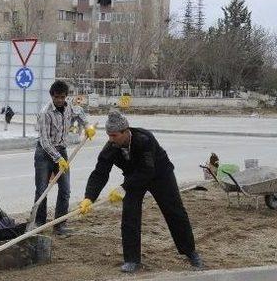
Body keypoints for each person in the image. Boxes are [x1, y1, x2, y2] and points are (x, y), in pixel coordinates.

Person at [78, 110, 203, 272]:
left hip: (159, 174)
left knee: (174, 211)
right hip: (133, 178)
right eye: (109, 135)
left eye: (114, 135)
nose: (111, 139)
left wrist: (123, 188)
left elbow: (147, 171)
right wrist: (89, 197)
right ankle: (132, 260)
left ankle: (191, 252)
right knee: (129, 215)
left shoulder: (144, 139)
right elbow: (100, 173)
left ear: (126, 131)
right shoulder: (111, 147)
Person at [35, 80, 95, 236]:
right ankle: (39, 223)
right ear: (52, 96)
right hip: (44, 153)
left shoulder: (69, 108)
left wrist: (87, 126)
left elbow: (80, 112)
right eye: (56, 97)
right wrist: (57, 158)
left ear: (66, 96)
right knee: (42, 189)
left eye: (62, 97)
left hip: (62, 150)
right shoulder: (45, 113)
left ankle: (59, 225)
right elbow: (45, 141)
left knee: (65, 189)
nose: (60, 100)